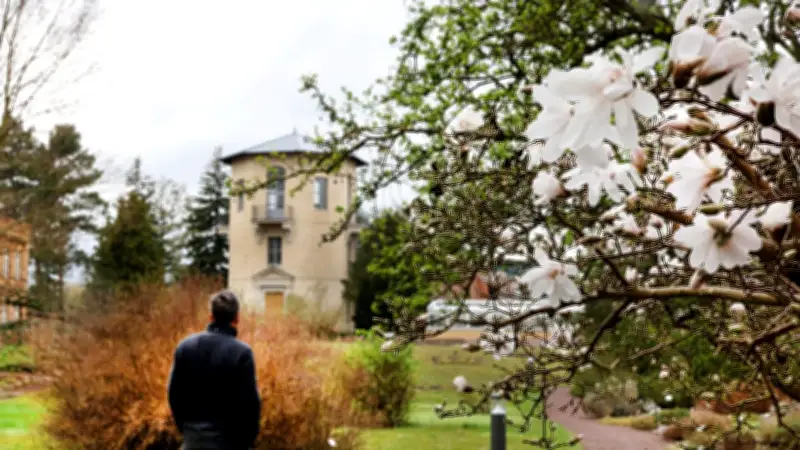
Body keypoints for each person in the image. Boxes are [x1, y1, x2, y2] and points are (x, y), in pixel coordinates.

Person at [168, 290, 261, 450]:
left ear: (211, 316)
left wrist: (187, 430)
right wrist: (246, 441)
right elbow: (250, 405)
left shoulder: (185, 347)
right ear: (237, 318)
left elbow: (174, 394)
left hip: (192, 440)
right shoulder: (242, 353)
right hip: (229, 442)